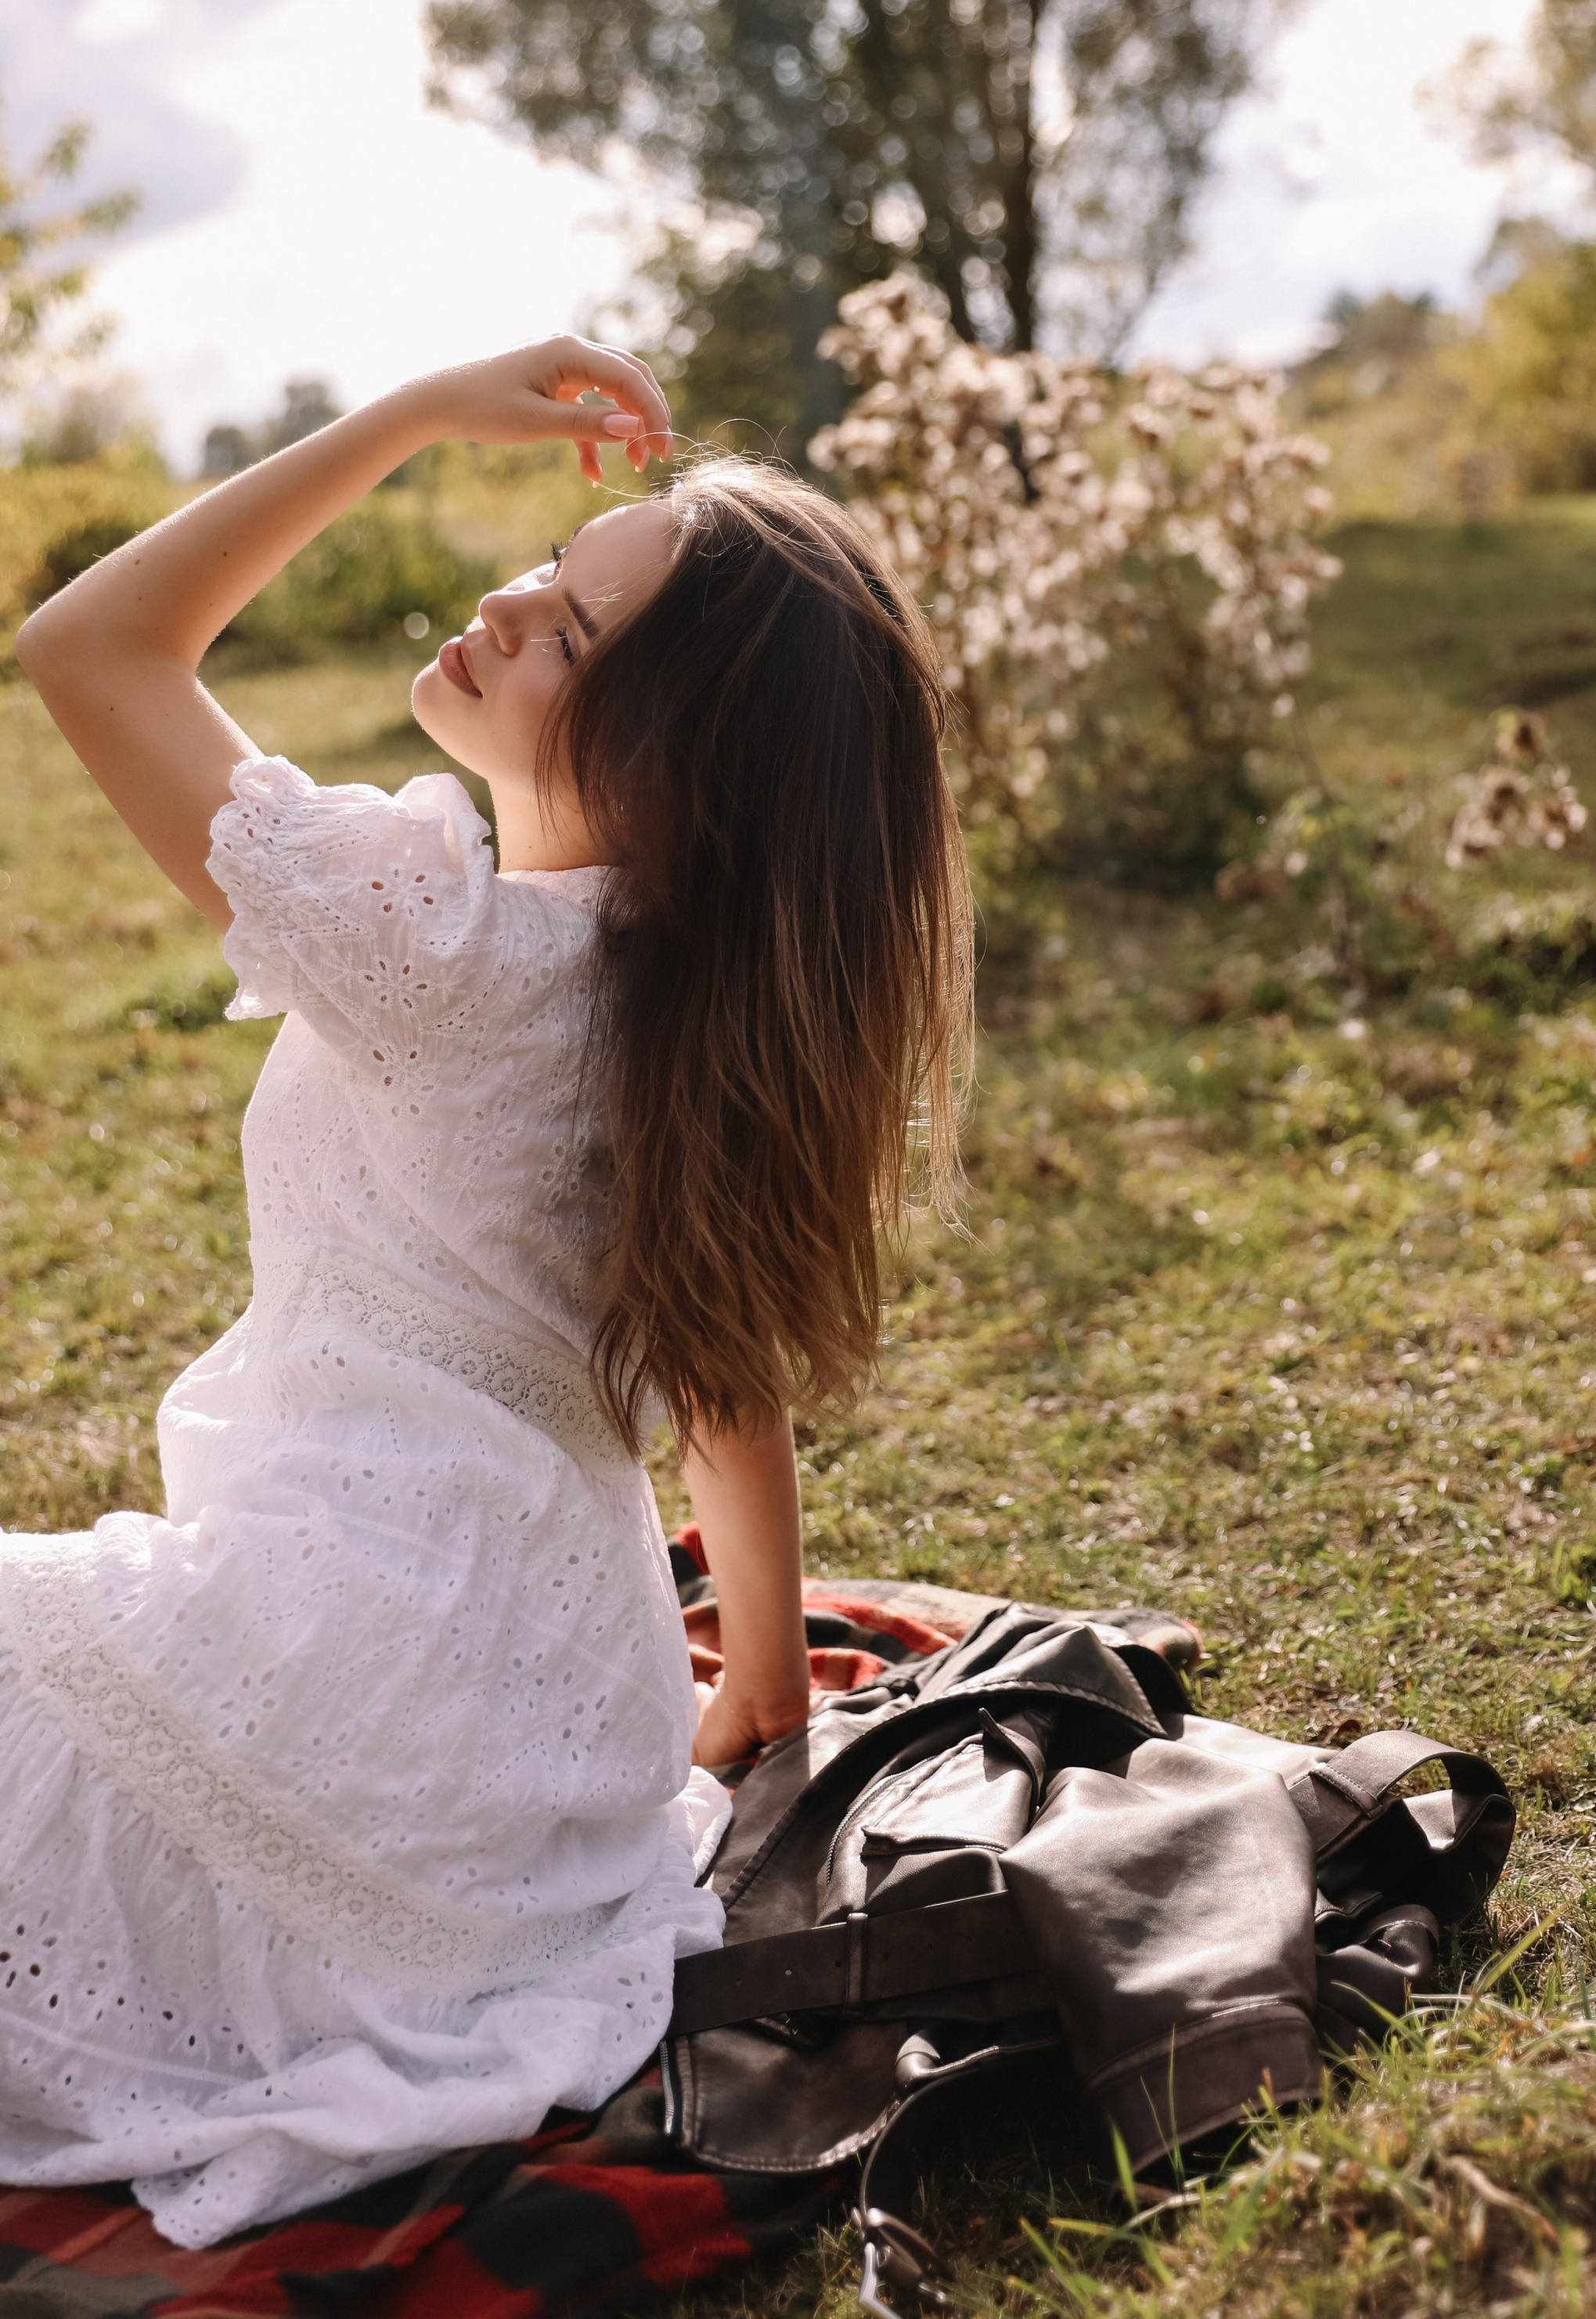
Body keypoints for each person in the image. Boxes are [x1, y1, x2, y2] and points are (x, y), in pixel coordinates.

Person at [2, 338, 972, 2245]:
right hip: (551, 1733)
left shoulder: (431, 942)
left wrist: (406, 421)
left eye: (577, 634)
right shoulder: (681, 990)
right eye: (550, 560)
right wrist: (759, 1670)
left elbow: (90, 651)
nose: (512, 599)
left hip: (351, 1664)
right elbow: (722, 1360)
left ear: (678, 762)